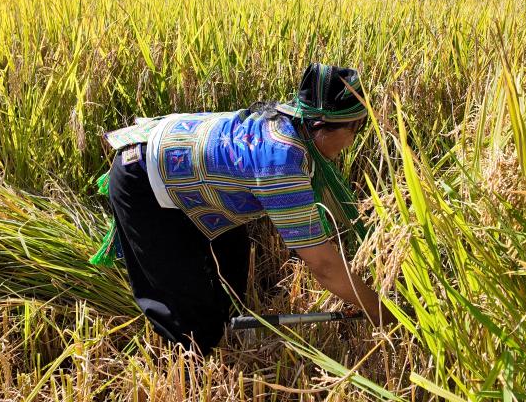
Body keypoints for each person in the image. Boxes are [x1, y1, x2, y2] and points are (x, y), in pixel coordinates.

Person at [93, 63, 393, 353]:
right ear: (319, 125)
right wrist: (378, 310)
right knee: (189, 311)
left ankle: (222, 334)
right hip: (143, 176)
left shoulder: (292, 128)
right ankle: (193, 357)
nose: (352, 140)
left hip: (191, 180)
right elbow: (324, 266)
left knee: (231, 274)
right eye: (354, 128)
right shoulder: (281, 162)